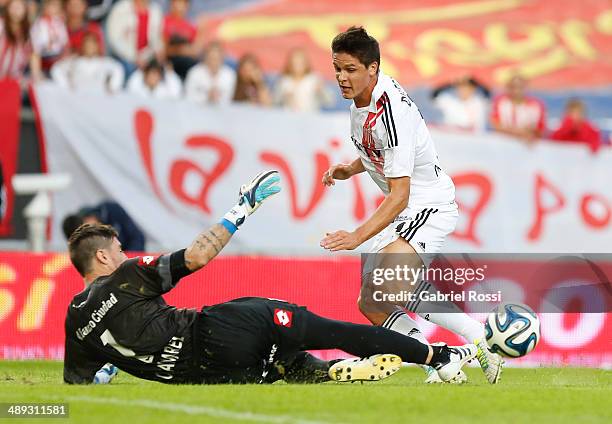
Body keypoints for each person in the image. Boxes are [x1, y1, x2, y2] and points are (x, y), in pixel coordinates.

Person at [63, 170, 477, 385]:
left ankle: (325, 372)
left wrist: (109, 367)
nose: (125, 253)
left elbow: (78, 383)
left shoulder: (76, 320)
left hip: (205, 374)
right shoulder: (128, 276)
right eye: (118, 249)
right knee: (329, 329)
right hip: (212, 332)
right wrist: (243, 207)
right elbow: (196, 256)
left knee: (276, 363)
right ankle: (438, 357)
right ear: (102, 255)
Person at [320, 27, 502, 384]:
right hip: (406, 208)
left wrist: (357, 236)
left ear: (373, 68)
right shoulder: (363, 100)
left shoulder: (391, 111)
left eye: (351, 69)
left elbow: (400, 193)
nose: (342, 77)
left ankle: (479, 339)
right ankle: (437, 361)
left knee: (390, 285)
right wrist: (351, 167)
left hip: (425, 206)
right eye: (337, 68)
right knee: (370, 303)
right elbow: (380, 149)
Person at [51, 30, 124, 93]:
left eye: (92, 44)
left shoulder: (105, 62)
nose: (89, 46)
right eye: (87, 43)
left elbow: (118, 69)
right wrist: (66, 87)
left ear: (97, 46)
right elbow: (56, 69)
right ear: (82, 45)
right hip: (77, 99)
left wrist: (112, 88)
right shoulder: (74, 62)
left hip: (99, 98)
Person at [62, 200, 145, 251]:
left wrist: (127, 261)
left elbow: (138, 237)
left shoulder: (111, 210)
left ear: (87, 218)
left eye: (88, 229)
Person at [274, 47, 334, 112]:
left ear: (306, 63)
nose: (298, 65)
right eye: (295, 62)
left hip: (310, 117)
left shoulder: (314, 79)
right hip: (289, 118)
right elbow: (275, 102)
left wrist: (321, 91)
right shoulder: (285, 81)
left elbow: (330, 101)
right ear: (290, 63)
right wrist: (284, 96)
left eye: (301, 62)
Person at [490, 74, 546, 143]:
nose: (516, 90)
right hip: (503, 143)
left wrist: (526, 133)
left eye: (520, 87)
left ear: (525, 87)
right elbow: (496, 125)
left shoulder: (536, 106)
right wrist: (519, 133)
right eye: (513, 87)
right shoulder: (500, 101)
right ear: (508, 87)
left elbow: (539, 130)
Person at [0, 0, 42, 83]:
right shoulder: (1, 25)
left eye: (19, 7)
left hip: (16, 78)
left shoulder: (31, 30)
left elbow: (34, 55)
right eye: (13, 7)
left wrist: (36, 76)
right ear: (8, 9)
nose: (16, 10)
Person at [184, 40, 236, 106]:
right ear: (206, 56)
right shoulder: (195, 73)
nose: (213, 62)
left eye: (216, 58)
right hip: (198, 112)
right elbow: (188, 96)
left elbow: (232, 99)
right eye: (211, 58)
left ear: (222, 57)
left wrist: (217, 98)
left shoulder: (230, 75)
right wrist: (206, 97)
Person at [162, 0, 203, 80]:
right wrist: (180, 50)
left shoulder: (191, 26)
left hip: (188, 64)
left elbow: (196, 50)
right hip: (170, 62)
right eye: (176, 2)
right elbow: (162, 48)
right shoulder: (164, 22)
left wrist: (186, 50)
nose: (179, 6)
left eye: (182, 3)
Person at [30, 0, 68, 73]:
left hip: (58, 55)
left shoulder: (59, 22)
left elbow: (64, 40)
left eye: (57, 6)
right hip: (43, 56)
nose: (54, 8)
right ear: (45, 7)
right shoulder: (38, 23)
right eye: (52, 5)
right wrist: (47, 43)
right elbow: (36, 44)